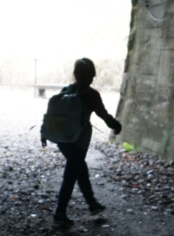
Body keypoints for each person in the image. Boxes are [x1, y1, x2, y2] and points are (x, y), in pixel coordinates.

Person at [42, 57, 121, 226]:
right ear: (92, 75)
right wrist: (116, 126)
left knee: (79, 169)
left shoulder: (66, 90)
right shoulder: (91, 95)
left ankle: (92, 205)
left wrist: (45, 133)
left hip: (63, 140)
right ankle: (59, 216)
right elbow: (104, 116)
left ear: (75, 74)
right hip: (78, 141)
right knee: (71, 176)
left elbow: (52, 114)